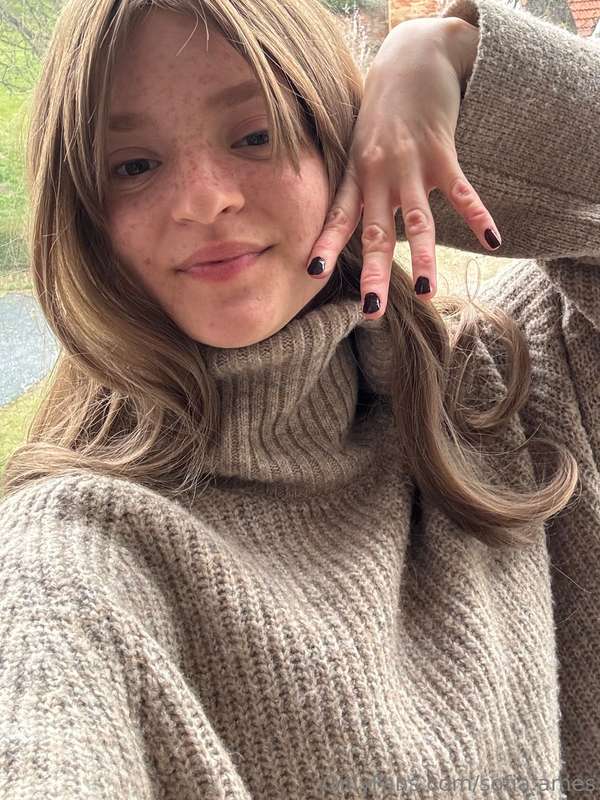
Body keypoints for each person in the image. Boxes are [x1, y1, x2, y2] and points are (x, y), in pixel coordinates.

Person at [0, 0, 598, 796]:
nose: (203, 199)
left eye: (255, 135)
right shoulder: (75, 555)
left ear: (343, 142)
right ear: (83, 215)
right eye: (134, 165)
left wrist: (455, 60)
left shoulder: (505, 384)